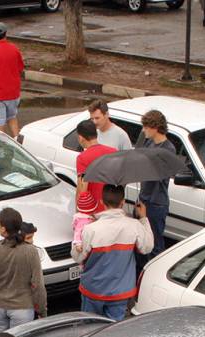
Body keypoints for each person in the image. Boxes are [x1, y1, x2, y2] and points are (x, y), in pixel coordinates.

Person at [72, 184, 154, 320]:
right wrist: (143, 218)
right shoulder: (134, 226)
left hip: (93, 290)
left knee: (89, 330)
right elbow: (147, 247)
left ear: (101, 202)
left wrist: (76, 245)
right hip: (120, 292)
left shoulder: (91, 229)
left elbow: (78, 257)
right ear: (123, 202)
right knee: (113, 333)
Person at [0, 207, 46, 331]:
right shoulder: (31, 251)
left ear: (3, 229)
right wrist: (42, 310)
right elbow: (38, 284)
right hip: (23, 308)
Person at [136, 109, 173, 256]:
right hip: (144, 198)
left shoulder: (168, 148)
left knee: (155, 244)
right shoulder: (148, 142)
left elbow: (160, 175)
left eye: (146, 127)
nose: (143, 130)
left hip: (156, 203)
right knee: (140, 242)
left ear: (155, 128)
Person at [75, 119, 116, 215]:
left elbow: (82, 188)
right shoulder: (113, 152)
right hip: (112, 208)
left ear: (81, 138)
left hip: (94, 210)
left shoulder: (82, 158)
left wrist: (78, 212)